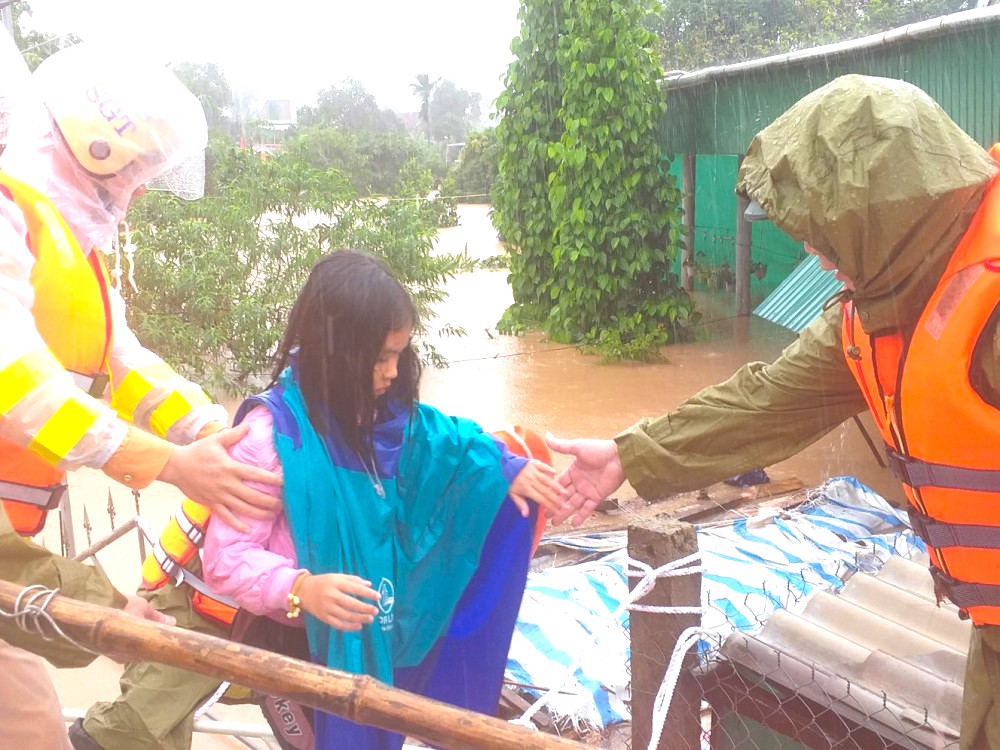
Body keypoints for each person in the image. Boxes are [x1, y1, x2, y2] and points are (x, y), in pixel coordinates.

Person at [545, 74, 1000, 749]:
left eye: (823, 232)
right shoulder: (879, 304)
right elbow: (763, 402)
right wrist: (628, 454)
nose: (813, 255)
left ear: (877, 212)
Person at [75, 249, 565, 750]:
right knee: (140, 731)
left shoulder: (376, 416)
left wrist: (502, 468)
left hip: (320, 628)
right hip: (223, 617)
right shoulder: (272, 440)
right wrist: (301, 588)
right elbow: (228, 560)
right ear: (337, 355)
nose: (393, 373)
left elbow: (446, 443)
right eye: (379, 359)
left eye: (399, 354)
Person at [0, 39, 280, 750]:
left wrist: (216, 431)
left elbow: (127, 366)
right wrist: (171, 467)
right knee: (34, 725)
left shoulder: (71, 248)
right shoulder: (8, 216)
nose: (144, 188)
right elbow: (17, 386)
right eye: (141, 168)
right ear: (96, 151)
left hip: (12, 537)